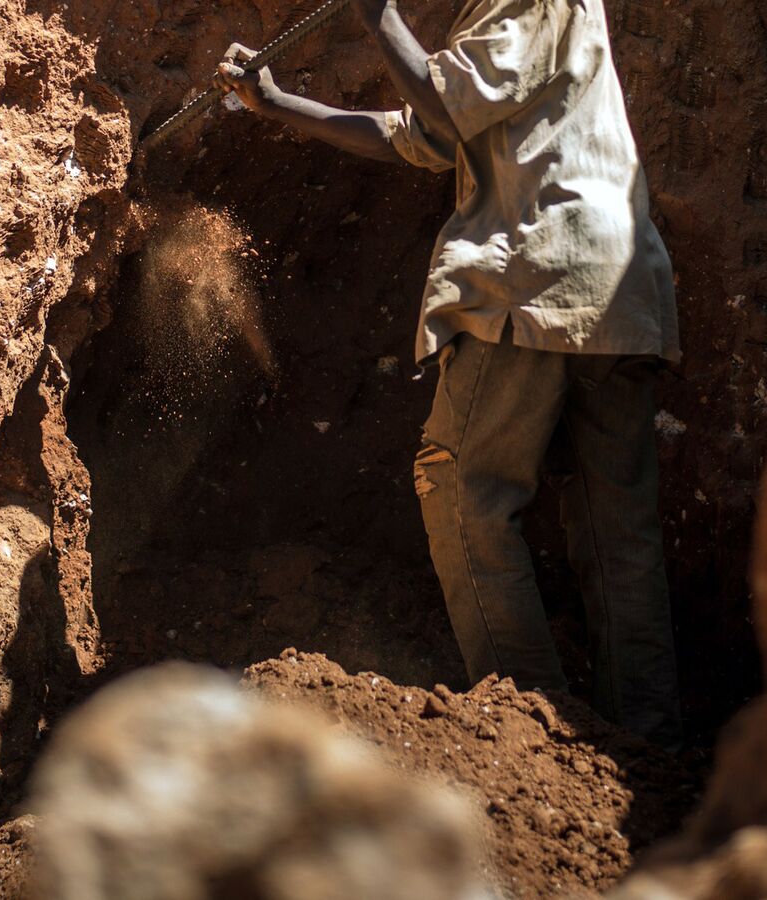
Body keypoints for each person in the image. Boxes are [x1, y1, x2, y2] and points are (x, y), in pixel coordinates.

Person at [214, 0, 683, 747]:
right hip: (621, 287)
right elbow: (419, 134)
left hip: (537, 269)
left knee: (463, 492)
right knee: (611, 525)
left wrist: (379, 17)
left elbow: (442, 105)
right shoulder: (517, 18)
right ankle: (649, 748)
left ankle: (534, 735)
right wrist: (277, 103)